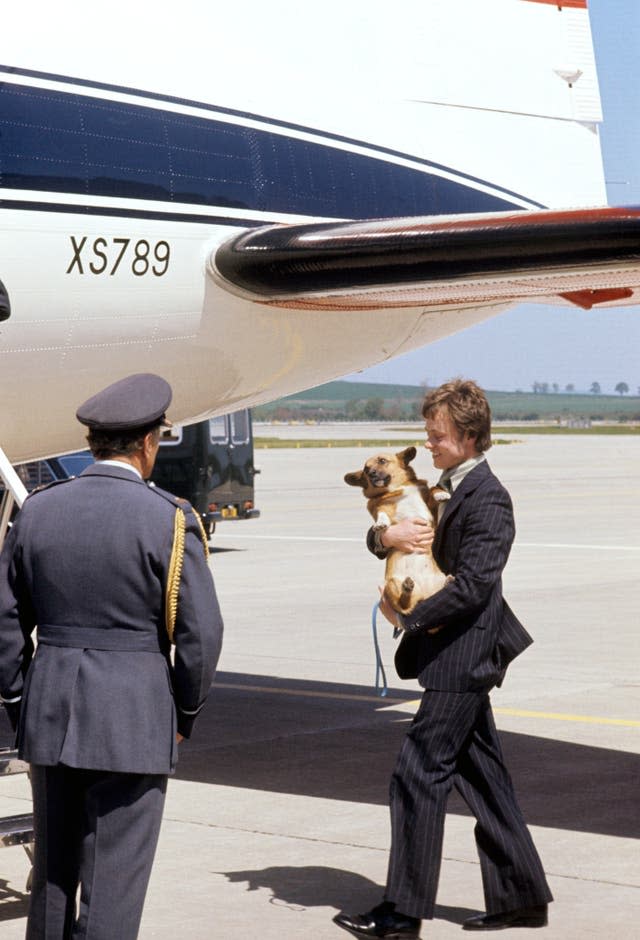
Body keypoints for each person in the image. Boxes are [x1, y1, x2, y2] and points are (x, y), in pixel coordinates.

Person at [0, 372, 224, 940]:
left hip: (49, 714)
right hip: (134, 718)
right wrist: (185, 714)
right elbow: (201, 634)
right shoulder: (170, 519)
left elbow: (4, 624)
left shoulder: (38, 511)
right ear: (148, 443)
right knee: (114, 887)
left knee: (52, 880)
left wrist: (23, 697)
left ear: (92, 442)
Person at [334, 379, 552, 938]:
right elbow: (396, 533)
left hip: (463, 653)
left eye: (438, 435)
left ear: (469, 436)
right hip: (451, 652)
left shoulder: (489, 497)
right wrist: (387, 538)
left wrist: (408, 618)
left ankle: (402, 914)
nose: (428, 443)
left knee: (416, 776)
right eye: (429, 434)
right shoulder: (440, 489)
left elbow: (476, 585)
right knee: (484, 780)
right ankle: (522, 896)